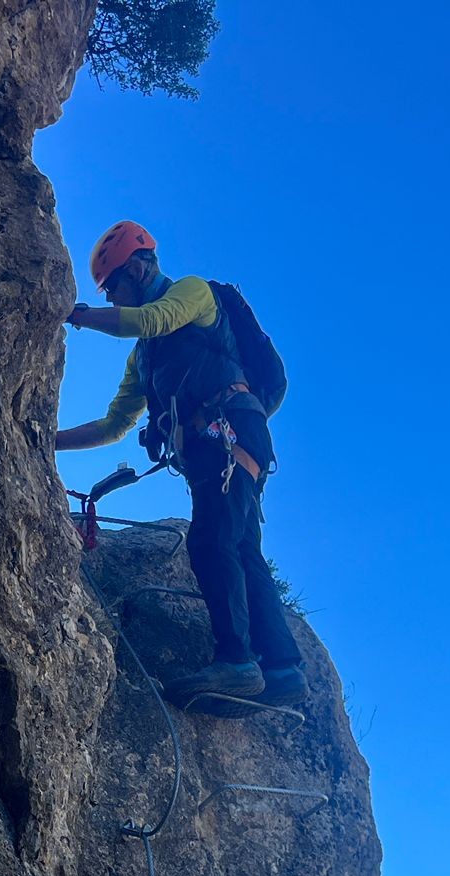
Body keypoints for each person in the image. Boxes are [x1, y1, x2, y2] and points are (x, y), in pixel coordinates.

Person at [56, 222, 305, 706]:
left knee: (212, 538)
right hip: (216, 445)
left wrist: (75, 315)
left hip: (230, 430)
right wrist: (47, 440)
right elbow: (113, 425)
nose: (112, 300)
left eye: (114, 288)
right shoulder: (143, 361)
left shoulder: (193, 293)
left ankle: (236, 660)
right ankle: (282, 667)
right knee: (239, 544)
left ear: (138, 265)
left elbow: (152, 319)